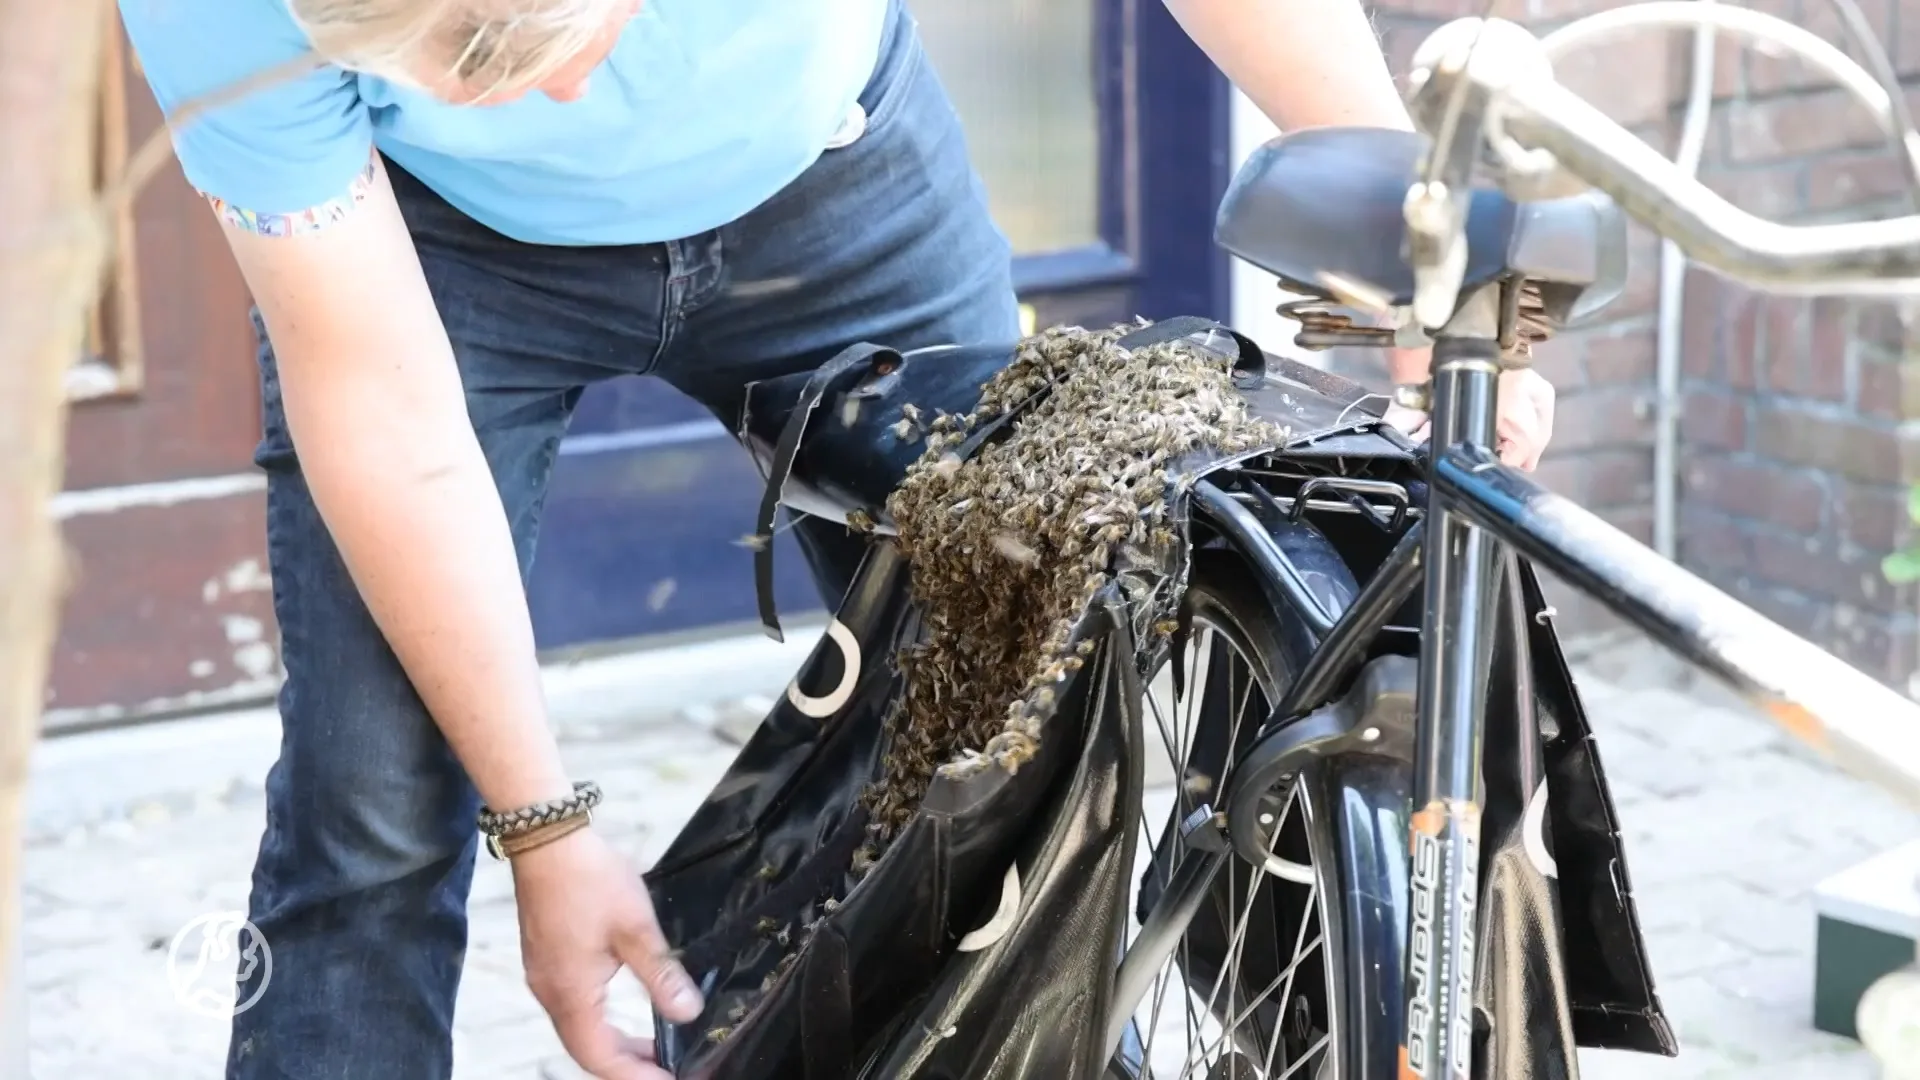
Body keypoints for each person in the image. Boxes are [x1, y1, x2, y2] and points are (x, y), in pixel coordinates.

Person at [115, 1, 1557, 1078]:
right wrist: (544, 824)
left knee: (1009, 726)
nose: (556, 93)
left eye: (561, 25)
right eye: (465, 64)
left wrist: (1408, 242)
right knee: (367, 817)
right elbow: (383, 409)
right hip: (439, 256)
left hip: (834, 176)